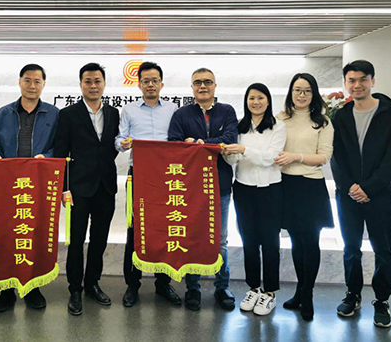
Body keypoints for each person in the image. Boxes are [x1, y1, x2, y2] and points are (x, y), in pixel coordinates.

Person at [331, 60, 391, 328]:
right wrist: (350, 187)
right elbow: (336, 156)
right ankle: (353, 294)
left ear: (372, 81)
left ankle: (382, 300)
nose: (357, 85)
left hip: (380, 195)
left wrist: (369, 188)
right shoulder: (340, 115)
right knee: (351, 249)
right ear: (345, 83)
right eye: (351, 80)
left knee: (382, 249)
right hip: (348, 195)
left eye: (363, 79)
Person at [0, 63, 59, 312]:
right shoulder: (4, 113)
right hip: (8, 183)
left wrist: (46, 157)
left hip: (38, 183)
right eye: (27, 80)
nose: (32, 85)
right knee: (7, 234)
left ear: (44, 84)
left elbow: (58, 146)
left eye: (37, 81)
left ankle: (32, 287)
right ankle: (7, 290)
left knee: (34, 233)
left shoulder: (54, 113)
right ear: (19, 82)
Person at [168, 67, 238, 312]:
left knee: (220, 240)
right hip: (190, 187)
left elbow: (230, 138)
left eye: (208, 82)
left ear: (215, 86)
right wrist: (209, 145)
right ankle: (193, 288)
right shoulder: (181, 114)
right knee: (192, 237)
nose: (203, 86)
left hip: (220, 185)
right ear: (192, 88)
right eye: (198, 82)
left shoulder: (227, 111)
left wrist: (200, 144)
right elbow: (174, 143)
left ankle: (222, 287)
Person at [53, 63, 120, 316]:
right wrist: (64, 188)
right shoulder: (68, 114)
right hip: (78, 189)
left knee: (99, 240)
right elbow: (61, 153)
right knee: (76, 241)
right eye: (88, 81)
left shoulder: (113, 113)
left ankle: (92, 283)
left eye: (97, 81)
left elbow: (111, 147)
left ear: (104, 84)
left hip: (106, 187)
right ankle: (75, 289)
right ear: (81, 84)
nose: (93, 86)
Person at [115, 61, 181, 308]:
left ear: (161, 84)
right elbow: (120, 138)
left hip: (167, 176)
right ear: (139, 84)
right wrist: (122, 144)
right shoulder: (129, 110)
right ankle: (132, 284)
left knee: (165, 228)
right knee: (135, 229)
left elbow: (179, 140)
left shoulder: (174, 110)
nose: (150, 84)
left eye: (154, 80)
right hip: (139, 175)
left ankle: (163, 283)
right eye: (145, 81)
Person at [222, 83, 286, 316]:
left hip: (270, 189)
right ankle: (253, 289)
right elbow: (233, 161)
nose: (256, 102)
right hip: (243, 188)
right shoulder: (239, 126)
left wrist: (243, 150)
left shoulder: (278, 126)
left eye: (260, 98)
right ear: (246, 101)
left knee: (270, 241)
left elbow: (271, 158)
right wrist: (228, 153)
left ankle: (269, 293)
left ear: (268, 100)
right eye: (251, 98)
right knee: (248, 240)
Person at [275, 73, 334, 321]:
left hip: (311, 187)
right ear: (291, 92)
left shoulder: (323, 122)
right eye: (297, 90)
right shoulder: (280, 119)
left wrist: (296, 156)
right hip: (286, 185)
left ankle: (307, 294)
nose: (302, 95)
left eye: (307, 90)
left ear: (314, 93)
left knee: (311, 242)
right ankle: (300, 291)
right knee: (296, 241)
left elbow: (324, 156)